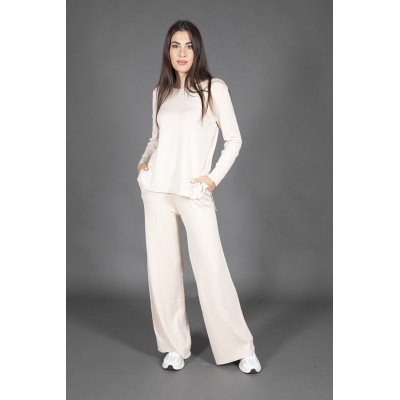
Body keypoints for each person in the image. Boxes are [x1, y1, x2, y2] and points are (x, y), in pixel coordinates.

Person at [136, 20, 261, 374]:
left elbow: (234, 140)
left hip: (194, 191)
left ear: (197, 50)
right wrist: (143, 164)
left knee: (211, 267)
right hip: (158, 191)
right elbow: (155, 139)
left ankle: (240, 347)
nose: (182, 53)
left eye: (188, 45)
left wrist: (211, 180)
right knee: (162, 270)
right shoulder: (160, 93)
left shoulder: (212, 89)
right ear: (168, 50)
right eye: (175, 45)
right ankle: (174, 346)